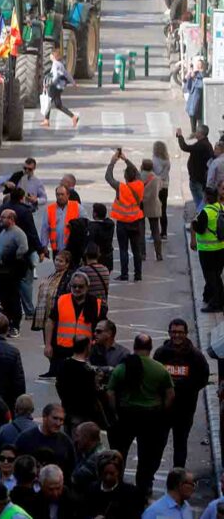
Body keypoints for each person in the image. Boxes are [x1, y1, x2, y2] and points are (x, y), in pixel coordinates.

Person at [106, 334, 175, 496]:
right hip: (151, 416)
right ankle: (144, 485)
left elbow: (110, 393)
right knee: (148, 454)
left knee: (119, 451)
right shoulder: (159, 369)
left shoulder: (122, 368)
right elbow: (170, 394)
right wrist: (163, 411)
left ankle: (117, 483)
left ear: (134, 347)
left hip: (126, 415)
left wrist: (115, 411)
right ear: (150, 348)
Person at [152, 319, 210, 469]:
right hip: (164, 410)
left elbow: (203, 378)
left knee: (180, 445)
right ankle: (148, 479)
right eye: (174, 332)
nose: (176, 335)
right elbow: (154, 378)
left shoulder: (196, 356)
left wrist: (187, 390)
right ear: (169, 333)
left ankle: (178, 477)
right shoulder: (161, 353)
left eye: (180, 332)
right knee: (157, 445)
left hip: (185, 410)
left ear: (186, 333)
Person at [106, 151, 146, 281]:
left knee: (123, 249)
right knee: (136, 250)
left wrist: (113, 161)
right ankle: (138, 275)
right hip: (136, 221)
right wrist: (126, 159)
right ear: (135, 175)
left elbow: (108, 177)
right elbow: (137, 172)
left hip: (123, 223)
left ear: (125, 177)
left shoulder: (121, 188)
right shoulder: (140, 184)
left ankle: (124, 274)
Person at [193, 186, 224, 312]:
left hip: (208, 250)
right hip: (221, 247)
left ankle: (216, 303)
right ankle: (218, 299)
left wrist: (194, 223)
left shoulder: (206, 211)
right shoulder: (221, 207)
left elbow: (200, 229)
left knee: (211, 277)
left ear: (207, 197)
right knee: (217, 276)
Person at [40, 47, 78, 128]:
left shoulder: (55, 64)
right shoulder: (60, 64)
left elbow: (55, 76)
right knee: (58, 105)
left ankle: (46, 120)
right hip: (60, 87)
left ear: (53, 56)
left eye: (51, 55)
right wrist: (73, 83)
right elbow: (67, 74)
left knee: (48, 102)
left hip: (55, 86)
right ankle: (73, 117)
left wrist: (48, 84)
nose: (50, 56)